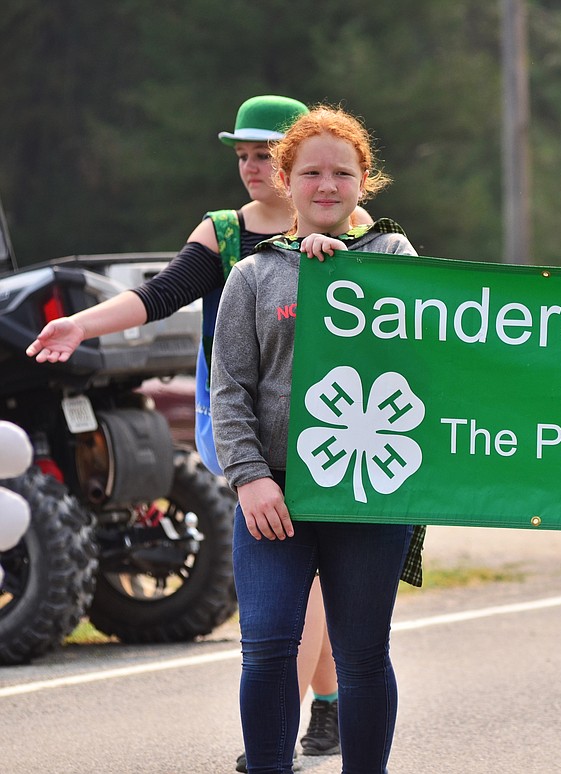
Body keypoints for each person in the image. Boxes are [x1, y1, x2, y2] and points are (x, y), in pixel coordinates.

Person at [23, 94, 354, 770]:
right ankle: (320, 706)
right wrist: (82, 324)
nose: (254, 168)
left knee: (313, 580)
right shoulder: (225, 232)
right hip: (236, 423)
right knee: (296, 574)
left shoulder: (349, 221)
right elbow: (160, 295)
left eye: (266, 154)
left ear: (295, 159)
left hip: (334, 430)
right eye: (244, 156)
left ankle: (297, 719)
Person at [211, 105, 422, 774]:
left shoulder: (393, 254)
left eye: (342, 173)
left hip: (368, 492)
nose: (325, 186)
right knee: (268, 643)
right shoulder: (250, 275)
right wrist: (249, 477)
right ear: (285, 178)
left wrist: (343, 273)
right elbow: (230, 390)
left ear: (365, 180)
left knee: (361, 653)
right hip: (276, 497)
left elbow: (425, 342)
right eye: (310, 173)